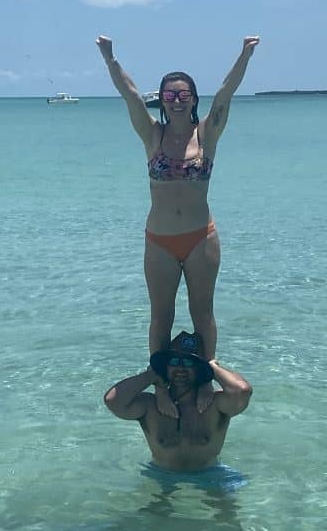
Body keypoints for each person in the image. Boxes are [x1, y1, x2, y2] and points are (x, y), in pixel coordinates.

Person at [96, 33, 259, 366]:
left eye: (184, 93)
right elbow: (130, 96)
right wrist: (110, 59)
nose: (176, 99)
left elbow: (226, 93)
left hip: (201, 238)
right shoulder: (153, 134)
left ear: (193, 98)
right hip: (160, 241)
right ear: (163, 99)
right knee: (161, 316)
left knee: (202, 313)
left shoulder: (207, 134)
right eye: (170, 94)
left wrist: (244, 55)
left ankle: (205, 378)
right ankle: (159, 380)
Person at [104, 335, 253, 470]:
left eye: (189, 362)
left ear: (199, 368)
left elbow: (242, 391)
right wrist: (152, 375)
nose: (180, 368)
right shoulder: (150, 406)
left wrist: (212, 368)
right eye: (174, 361)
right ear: (166, 366)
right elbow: (114, 401)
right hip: (161, 475)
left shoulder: (214, 405)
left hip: (210, 474)